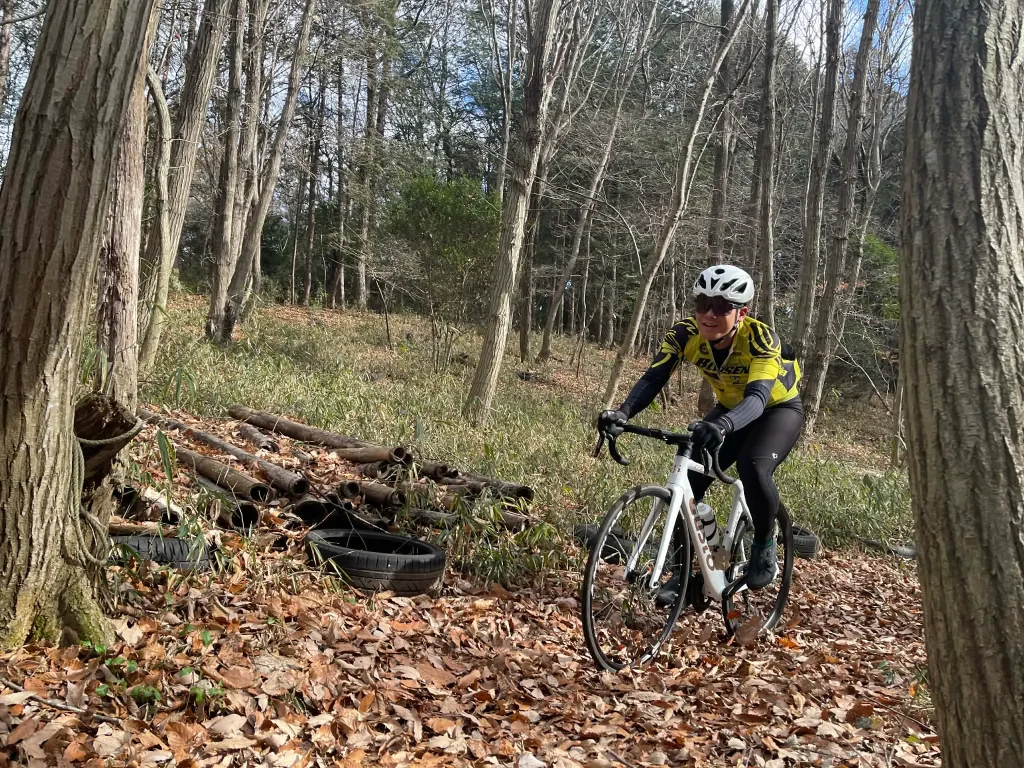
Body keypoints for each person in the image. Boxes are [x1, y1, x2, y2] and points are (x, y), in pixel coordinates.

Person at [598, 264, 804, 593]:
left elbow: (757, 398)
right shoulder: (685, 334)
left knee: (753, 466)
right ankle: (687, 574)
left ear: (741, 313)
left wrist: (722, 424)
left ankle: (765, 546)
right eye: (702, 303)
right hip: (730, 408)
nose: (709, 314)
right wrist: (622, 412)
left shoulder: (762, 339)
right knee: (691, 479)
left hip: (776, 409)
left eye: (721, 307)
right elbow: (654, 377)